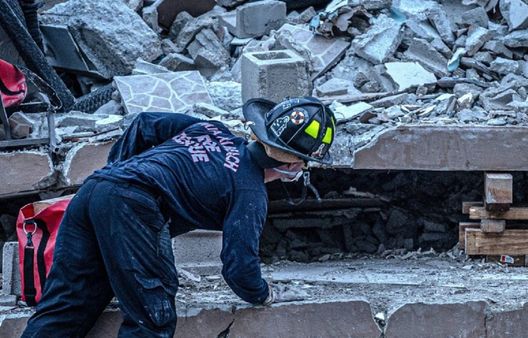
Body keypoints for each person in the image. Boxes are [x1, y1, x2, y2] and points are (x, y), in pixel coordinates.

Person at [20, 96, 336, 337]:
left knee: (68, 301)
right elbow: (239, 266)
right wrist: (265, 294)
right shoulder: (250, 192)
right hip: (134, 205)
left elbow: (143, 123)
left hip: (94, 190)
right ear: (296, 165)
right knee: (152, 315)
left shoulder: (211, 130)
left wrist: (119, 175)